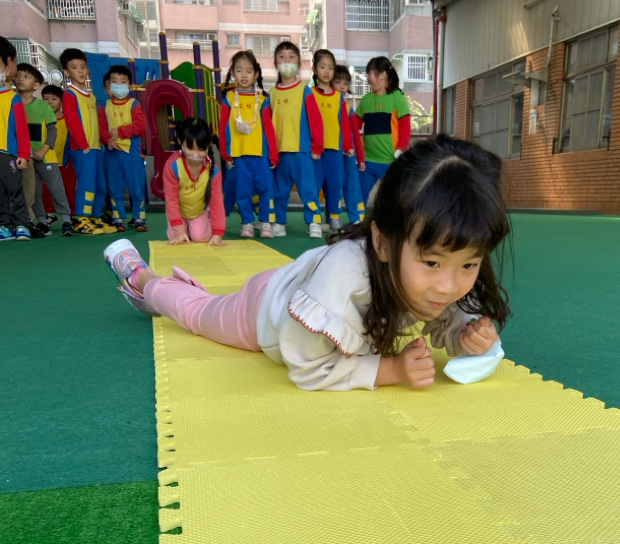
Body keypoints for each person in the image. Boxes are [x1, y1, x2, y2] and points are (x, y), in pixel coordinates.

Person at [104, 134, 511, 393]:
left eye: (469, 265)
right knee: (198, 312)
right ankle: (144, 279)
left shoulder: (433, 276)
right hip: (263, 311)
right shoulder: (342, 280)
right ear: (383, 241)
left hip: (298, 283)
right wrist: (391, 370)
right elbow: (307, 368)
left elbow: (446, 316)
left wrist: (469, 337)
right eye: (433, 262)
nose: (449, 286)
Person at [220, 50, 278, 239]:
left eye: (248, 71)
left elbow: (269, 129)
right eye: (239, 70)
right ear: (232, 73)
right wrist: (225, 152)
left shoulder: (262, 100)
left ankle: (265, 222)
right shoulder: (228, 99)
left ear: (256, 74)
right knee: (242, 190)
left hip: (261, 154)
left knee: (265, 188)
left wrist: (273, 154)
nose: (244, 75)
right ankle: (247, 222)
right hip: (239, 154)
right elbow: (222, 127)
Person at [268, 40, 324, 238]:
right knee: (279, 191)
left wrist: (317, 146)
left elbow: (316, 120)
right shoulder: (272, 94)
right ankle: (279, 222)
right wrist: (269, 152)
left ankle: (314, 222)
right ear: (275, 63)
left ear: (299, 64)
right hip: (279, 154)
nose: (286, 61)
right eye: (282, 57)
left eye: (291, 57)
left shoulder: (304, 90)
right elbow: (267, 125)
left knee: (309, 189)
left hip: (302, 151)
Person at [60, 47, 116, 235]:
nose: (80, 71)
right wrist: (83, 144)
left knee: (100, 183)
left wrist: (104, 141)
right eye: (74, 67)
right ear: (67, 72)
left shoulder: (91, 97)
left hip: (97, 148)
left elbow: (99, 124)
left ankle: (95, 217)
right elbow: (72, 122)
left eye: (83, 66)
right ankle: (81, 219)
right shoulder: (70, 95)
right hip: (82, 149)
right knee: (87, 182)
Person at [13, 63, 73, 237]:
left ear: (36, 85)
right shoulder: (13, 104)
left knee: (56, 189)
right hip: (25, 158)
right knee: (34, 191)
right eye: (18, 76)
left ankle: (66, 221)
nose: (21, 79)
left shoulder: (43, 106)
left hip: (46, 157)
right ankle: (42, 222)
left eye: (26, 76)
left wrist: (43, 150)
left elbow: (53, 131)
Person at [353, 56, 411, 205]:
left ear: (383, 74)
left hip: (390, 162)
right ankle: (359, 219)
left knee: (392, 201)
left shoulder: (397, 97)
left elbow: (405, 126)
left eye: (370, 73)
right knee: (358, 197)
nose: (368, 78)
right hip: (367, 162)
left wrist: (401, 148)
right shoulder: (366, 100)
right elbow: (353, 125)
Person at [311, 49, 355, 234]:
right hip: (315, 151)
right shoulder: (309, 94)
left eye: (330, 67)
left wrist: (348, 145)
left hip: (335, 150)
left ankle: (334, 218)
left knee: (335, 184)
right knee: (314, 184)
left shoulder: (338, 97)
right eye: (322, 67)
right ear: (315, 69)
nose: (327, 71)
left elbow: (344, 124)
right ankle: (314, 219)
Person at [98, 65, 147, 233]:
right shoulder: (104, 106)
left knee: (136, 187)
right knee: (114, 187)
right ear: (108, 86)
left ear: (130, 86)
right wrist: (107, 140)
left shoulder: (134, 104)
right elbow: (101, 128)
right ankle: (118, 218)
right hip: (112, 153)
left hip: (132, 153)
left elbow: (140, 125)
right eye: (115, 82)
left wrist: (119, 132)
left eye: (123, 82)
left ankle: (139, 218)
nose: (118, 85)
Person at [163, 117, 226, 246]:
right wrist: (178, 230)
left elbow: (217, 203)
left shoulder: (214, 171)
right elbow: (171, 200)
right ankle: (183, 227)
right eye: (191, 148)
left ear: (208, 145)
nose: (195, 154)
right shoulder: (173, 166)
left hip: (198, 211)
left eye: (201, 149)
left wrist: (217, 233)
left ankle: (204, 221)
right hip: (178, 211)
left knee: (200, 237)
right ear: (180, 141)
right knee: (176, 237)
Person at [0, 36, 31, 240]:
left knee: (14, 189)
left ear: (9, 63)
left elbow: (22, 129)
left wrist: (23, 154)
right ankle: (4, 225)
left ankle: (22, 224)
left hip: (9, 153)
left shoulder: (13, 97)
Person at [331, 64, 366, 226]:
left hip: (349, 155)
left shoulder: (349, 109)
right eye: (338, 82)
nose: (342, 86)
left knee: (352, 186)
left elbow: (357, 136)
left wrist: (361, 158)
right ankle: (333, 218)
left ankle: (357, 219)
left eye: (346, 83)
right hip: (332, 153)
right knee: (334, 186)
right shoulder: (326, 106)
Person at [41, 84, 76, 235]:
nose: (50, 102)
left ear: (61, 101)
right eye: (46, 98)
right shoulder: (42, 120)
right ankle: (50, 214)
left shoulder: (68, 120)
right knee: (45, 190)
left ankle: (71, 215)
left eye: (54, 99)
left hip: (65, 162)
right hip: (47, 161)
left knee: (68, 190)